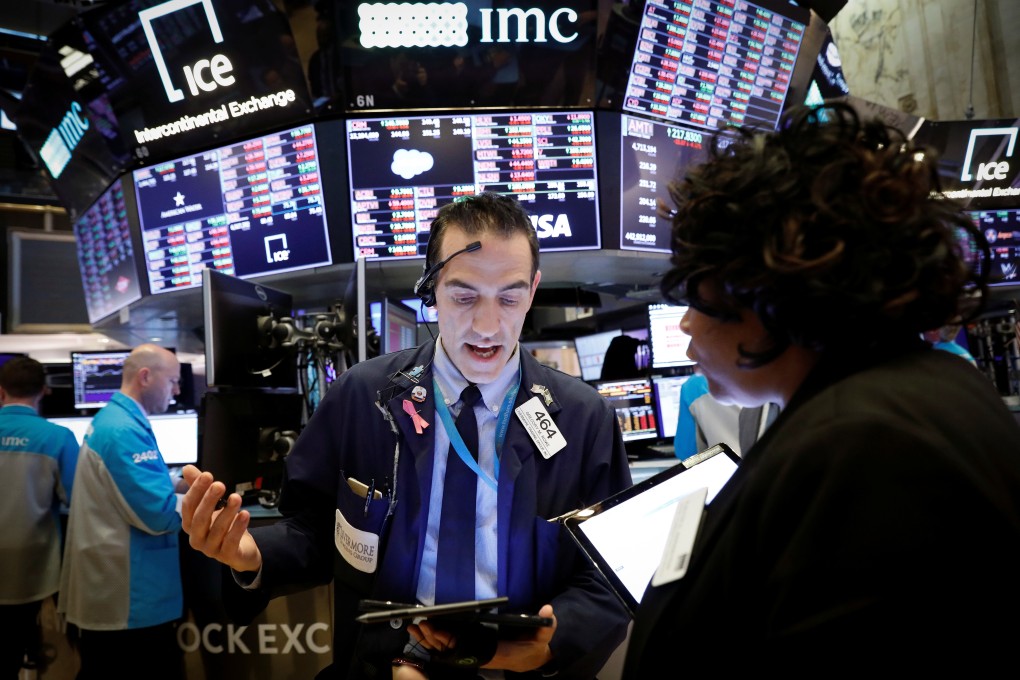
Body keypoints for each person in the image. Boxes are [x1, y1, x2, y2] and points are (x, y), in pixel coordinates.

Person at [623, 104, 1020, 674]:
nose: (685, 323)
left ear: (762, 284)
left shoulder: (870, 444)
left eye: (695, 290)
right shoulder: (909, 392)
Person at [181, 192, 633, 679]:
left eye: (509, 296)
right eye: (463, 296)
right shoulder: (363, 396)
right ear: (432, 289)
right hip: (384, 664)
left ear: (534, 289)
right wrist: (252, 554)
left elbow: (609, 571)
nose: (486, 325)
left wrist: (550, 644)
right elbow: (313, 527)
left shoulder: (585, 419)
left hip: (517, 670)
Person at [58, 344, 185, 680]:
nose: (177, 390)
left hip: (121, 593)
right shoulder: (123, 431)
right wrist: (205, 502)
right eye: (172, 381)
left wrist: (175, 482)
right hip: (130, 599)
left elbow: (131, 483)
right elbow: (158, 515)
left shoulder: (116, 420)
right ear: (145, 376)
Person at [0, 356, 78, 679]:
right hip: (32, 572)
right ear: (44, 391)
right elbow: (76, 501)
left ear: (1, 392)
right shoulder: (59, 438)